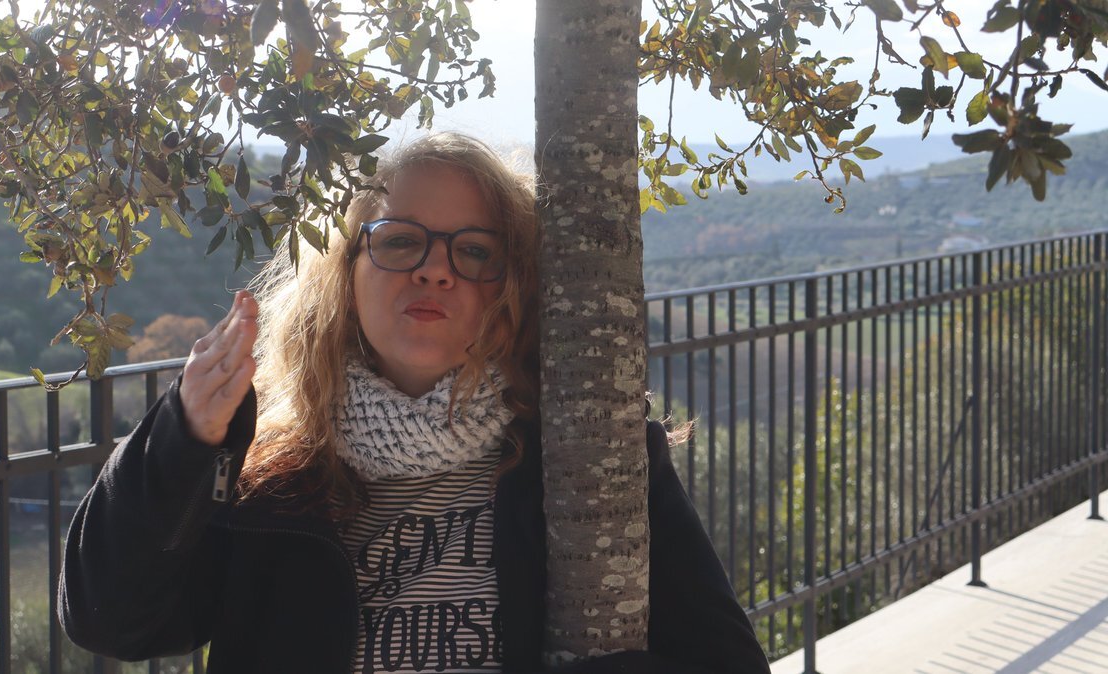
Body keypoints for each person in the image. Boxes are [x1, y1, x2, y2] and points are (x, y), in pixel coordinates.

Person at [59, 132, 771, 674]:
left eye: (475, 251)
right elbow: (109, 621)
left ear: (513, 286)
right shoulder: (269, 474)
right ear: (344, 274)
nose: (435, 270)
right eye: (400, 242)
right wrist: (184, 437)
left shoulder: (590, 455)